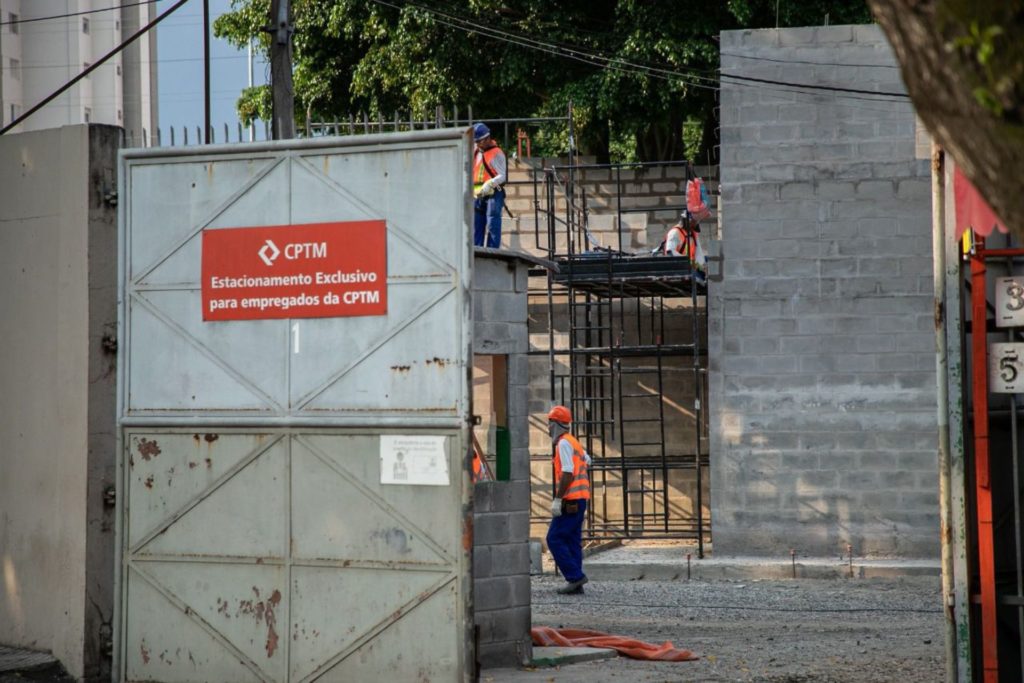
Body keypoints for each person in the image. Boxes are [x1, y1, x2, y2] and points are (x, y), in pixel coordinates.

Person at [545, 405, 592, 595]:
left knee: (554, 538)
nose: (548, 428)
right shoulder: (574, 442)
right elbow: (588, 460)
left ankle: (574, 577)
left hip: (570, 499)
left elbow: (567, 472)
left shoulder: (563, 444)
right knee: (572, 540)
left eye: (549, 423)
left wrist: (558, 499)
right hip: (580, 499)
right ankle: (576, 582)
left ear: (555, 424)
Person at [472, 122, 506, 248]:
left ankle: (493, 255)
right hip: (478, 194)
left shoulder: (497, 153)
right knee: (477, 226)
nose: (478, 144)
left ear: (487, 138)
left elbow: (503, 175)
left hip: (493, 194)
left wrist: (490, 183)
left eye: (480, 141)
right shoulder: (476, 151)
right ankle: (477, 253)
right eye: (476, 142)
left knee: (493, 224)